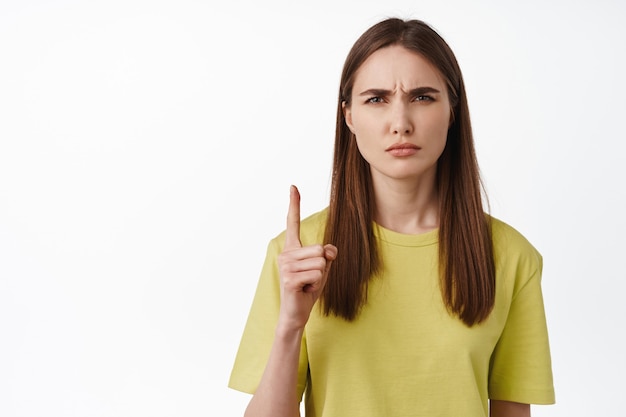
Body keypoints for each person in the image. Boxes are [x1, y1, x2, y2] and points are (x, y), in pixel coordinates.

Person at [228, 17, 555, 417]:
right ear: (348, 115)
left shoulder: (511, 257)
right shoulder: (299, 255)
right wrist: (290, 326)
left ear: (452, 111)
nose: (400, 124)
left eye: (422, 97)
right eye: (376, 99)